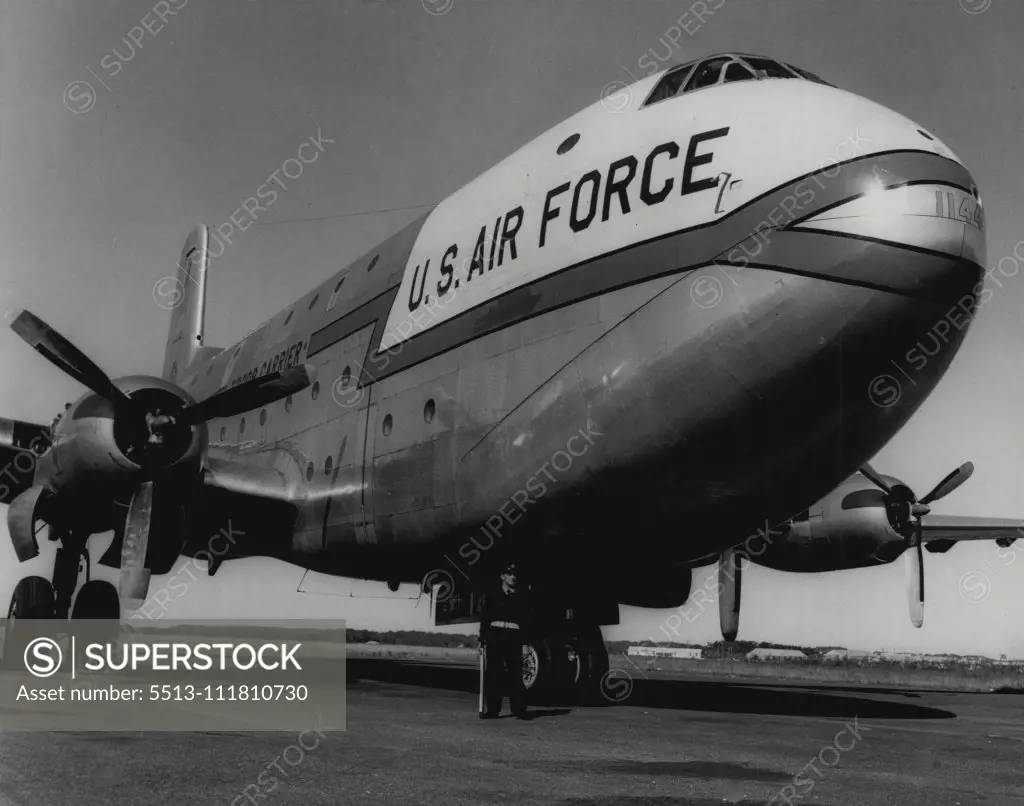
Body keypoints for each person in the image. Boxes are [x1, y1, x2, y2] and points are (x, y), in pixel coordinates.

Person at [479, 563, 529, 719]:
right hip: (495, 635)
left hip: (514, 636)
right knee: (493, 673)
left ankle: (519, 710)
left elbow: (526, 620)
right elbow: (485, 618)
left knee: (516, 673)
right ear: (502, 576)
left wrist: (525, 643)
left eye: (514, 574)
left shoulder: (521, 596)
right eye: (509, 574)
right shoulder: (492, 594)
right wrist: (482, 639)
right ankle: (493, 710)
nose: (513, 577)